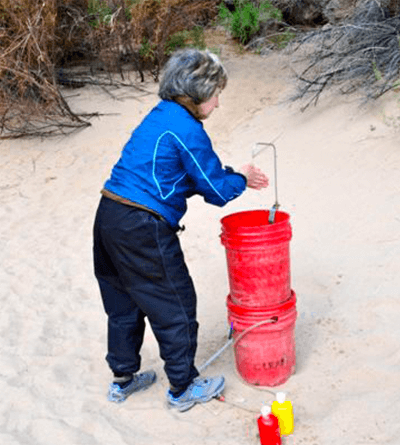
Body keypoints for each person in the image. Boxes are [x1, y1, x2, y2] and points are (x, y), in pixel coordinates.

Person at [93, 48, 269, 412]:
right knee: (176, 304)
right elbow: (217, 191)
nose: (218, 103)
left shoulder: (159, 116)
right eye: (216, 93)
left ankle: (123, 380)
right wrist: (241, 178)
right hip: (143, 225)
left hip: (108, 214)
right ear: (197, 92)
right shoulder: (188, 129)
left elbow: (171, 176)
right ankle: (183, 387)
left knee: (123, 303)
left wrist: (227, 176)